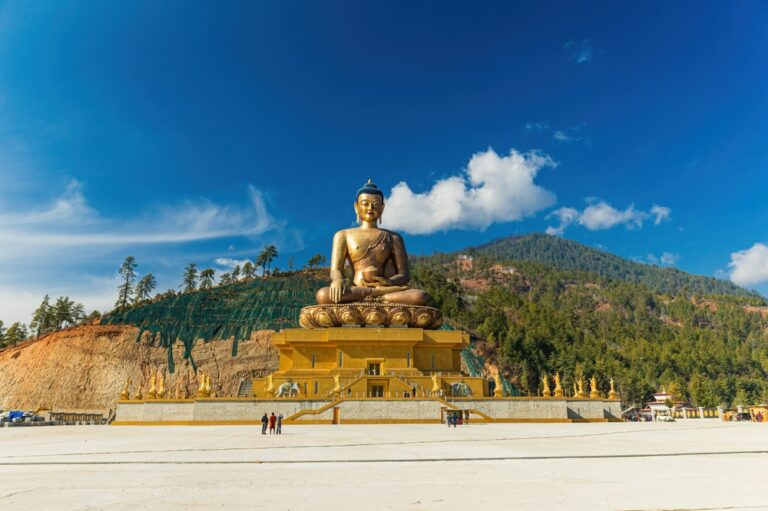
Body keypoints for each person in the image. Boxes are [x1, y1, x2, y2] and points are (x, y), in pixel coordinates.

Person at [315, 180, 429, 306]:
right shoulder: (343, 235)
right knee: (323, 295)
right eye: (365, 204)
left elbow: (404, 274)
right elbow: (335, 269)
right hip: (357, 289)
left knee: (420, 296)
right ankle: (376, 298)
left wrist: (388, 282)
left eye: (375, 204)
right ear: (356, 207)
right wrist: (337, 280)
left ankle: (374, 298)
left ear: (382, 207)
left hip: (386, 290)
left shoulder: (393, 237)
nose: (370, 208)